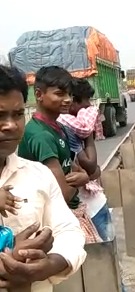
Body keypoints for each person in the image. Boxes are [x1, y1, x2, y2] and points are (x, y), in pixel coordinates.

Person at [0, 65, 86, 290]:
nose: (10, 125)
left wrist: (48, 266)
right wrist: (10, 257)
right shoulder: (40, 136)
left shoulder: (38, 175)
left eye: (18, 114)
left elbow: (69, 232)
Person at [17, 66, 99, 243]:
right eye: (60, 94)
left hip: (69, 211)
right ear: (39, 95)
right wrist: (83, 179)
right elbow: (63, 193)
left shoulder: (59, 127)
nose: (68, 100)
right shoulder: (41, 136)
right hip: (57, 220)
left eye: (69, 94)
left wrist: (83, 175)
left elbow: (73, 165)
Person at [58, 78, 112, 241]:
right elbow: (91, 166)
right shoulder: (69, 128)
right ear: (73, 101)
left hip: (93, 203)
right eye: (85, 100)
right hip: (87, 207)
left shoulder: (70, 125)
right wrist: (88, 134)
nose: (88, 105)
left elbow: (93, 171)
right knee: (103, 254)